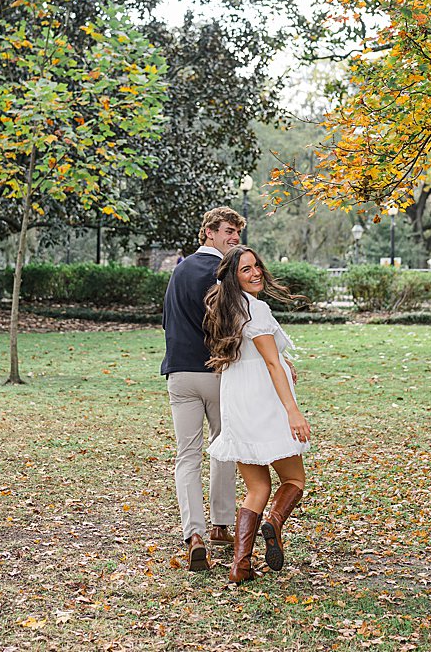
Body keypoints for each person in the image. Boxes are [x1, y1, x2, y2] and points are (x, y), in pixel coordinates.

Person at [204, 245, 311, 584]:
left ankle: (240, 567)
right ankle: (274, 523)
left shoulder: (226, 307)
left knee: (257, 487)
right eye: (245, 270)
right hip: (264, 400)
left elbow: (257, 353)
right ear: (234, 278)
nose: (255, 273)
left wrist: (284, 361)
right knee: (294, 480)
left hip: (236, 399)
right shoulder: (258, 309)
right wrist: (292, 411)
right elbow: (268, 361)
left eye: (256, 266)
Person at [162, 206, 245, 572]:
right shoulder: (224, 272)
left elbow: (167, 319)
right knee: (223, 448)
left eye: (238, 234)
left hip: (179, 373)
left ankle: (192, 534)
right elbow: (236, 323)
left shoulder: (178, 270)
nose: (235, 239)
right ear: (208, 232)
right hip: (216, 372)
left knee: (187, 456)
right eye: (229, 231)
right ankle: (220, 526)